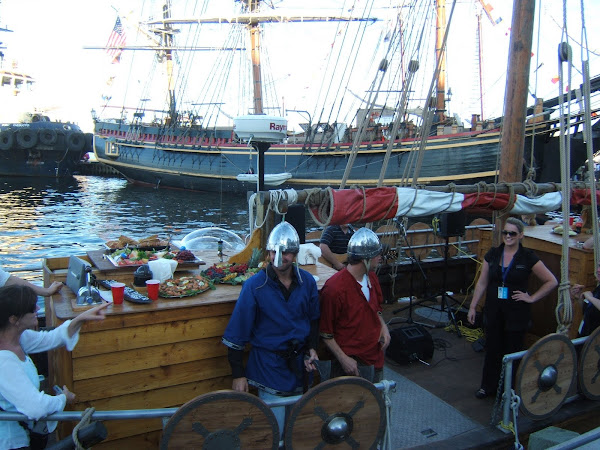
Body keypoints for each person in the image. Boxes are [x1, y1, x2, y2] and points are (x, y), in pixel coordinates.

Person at [222, 221, 320, 441]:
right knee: (273, 434)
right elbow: (236, 334)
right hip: (268, 367)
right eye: (275, 251)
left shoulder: (308, 283)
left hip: (300, 368)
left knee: (298, 434)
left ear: (294, 255)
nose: (280, 257)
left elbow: (313, 320)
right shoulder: (254, 286)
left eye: (285, 252)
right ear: (268, 252)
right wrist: (238, 374)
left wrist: (311, 348)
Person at [0, 285, 109, 450]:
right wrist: (63, 398)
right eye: (32, 307)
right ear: (14, 319)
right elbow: (36, 407)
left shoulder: (18, 338)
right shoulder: (4, 362)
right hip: (12, 442)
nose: (38, 308)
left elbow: (51, 338)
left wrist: (81, 318)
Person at [467, 217, 558, 399]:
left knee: (513, 350)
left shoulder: (528, 257)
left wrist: (531, 298)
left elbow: (551, 281)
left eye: (512, 233)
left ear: (520, 235)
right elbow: (483, 282)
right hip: (494, 310)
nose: (508, 236)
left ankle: (508, 390)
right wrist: (473, 306)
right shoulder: (493, 254)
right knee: (492, 348)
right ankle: (488, 386)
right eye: (505, 233)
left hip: (516, 312)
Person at [319, 227, 391, 383]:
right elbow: (325, 332)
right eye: (377, 255)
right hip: (351, 363)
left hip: (375, 355)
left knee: (376, 403)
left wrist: (383, 327)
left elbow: (376, 310)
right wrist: (343, 359)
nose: (380, 258)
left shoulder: (372, 278)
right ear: (365, 259)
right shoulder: (334, 289)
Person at [571, 259, 600, 336]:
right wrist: (579, 297)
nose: (598, 270)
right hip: (586, 337)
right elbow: (588, 310)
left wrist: (591, 298)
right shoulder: (598, 289)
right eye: (599, 266)